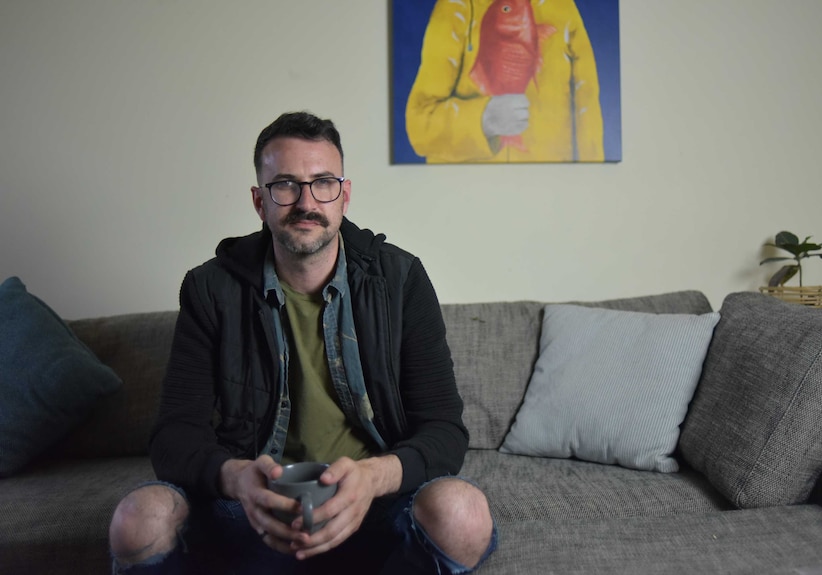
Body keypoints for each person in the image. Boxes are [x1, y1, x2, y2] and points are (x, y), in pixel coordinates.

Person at [108, 111, 497, 574]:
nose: (306, 202)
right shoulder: (210, 289)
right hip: (252, 512)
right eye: (286, 185)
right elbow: (173, 437)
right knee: (138, 519)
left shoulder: (401, 279)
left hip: (374, 508)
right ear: (260, 202)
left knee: (462, 513)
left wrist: (373, 478)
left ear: (344, 195)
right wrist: (236, 479)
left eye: (323, 183)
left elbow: (445, 431)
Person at [405, 0, 604, 163]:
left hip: (548, 193)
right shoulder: (455, 8)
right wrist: (483, 120)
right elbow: (419, 126)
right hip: (465, 195)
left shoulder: (562, 8)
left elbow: (588, 113)